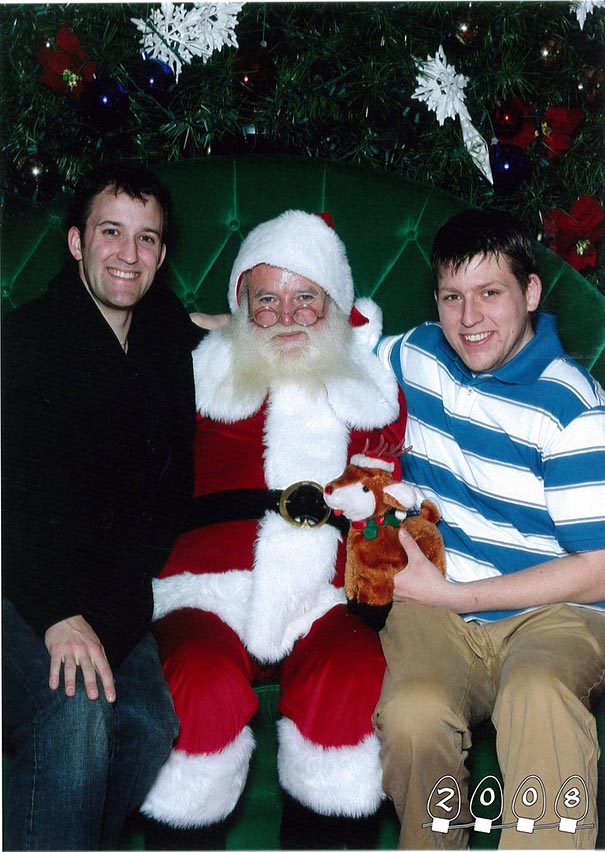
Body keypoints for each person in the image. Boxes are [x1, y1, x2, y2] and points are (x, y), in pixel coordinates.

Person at [140, 209, 407, 849]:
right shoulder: (196, 371)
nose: (287, 316)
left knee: (348, 673)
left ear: (336, 306)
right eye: (267, 300)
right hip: (205, 585)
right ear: (240, 306)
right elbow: (124, 321)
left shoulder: (368, 389)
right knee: (196, 682)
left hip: (323, 590)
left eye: (306, 299)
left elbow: (391, 490)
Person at [373, 209, 605, 850]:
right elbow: (314, 337)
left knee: (538, 694)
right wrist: (205, 326)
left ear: (530, 294)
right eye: (453, 297)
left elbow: (599, 563)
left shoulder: (573, 409)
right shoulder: (418, 355)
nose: (469, 318)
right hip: (438, 602)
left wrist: (461, 597)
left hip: (553, 608)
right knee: (413, 715)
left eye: (490, 294)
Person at [2, 163, 202, 851]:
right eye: (111, 232)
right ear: (76, 242)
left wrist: (282, 320)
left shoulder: (157, 337)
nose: (129, 254)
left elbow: (212, 329)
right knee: (75, 712)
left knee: (147, 728)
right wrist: (55, 612)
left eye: (147, 240)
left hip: (109, 599)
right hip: (17, 582)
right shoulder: (26, 343)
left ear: (162, 256)